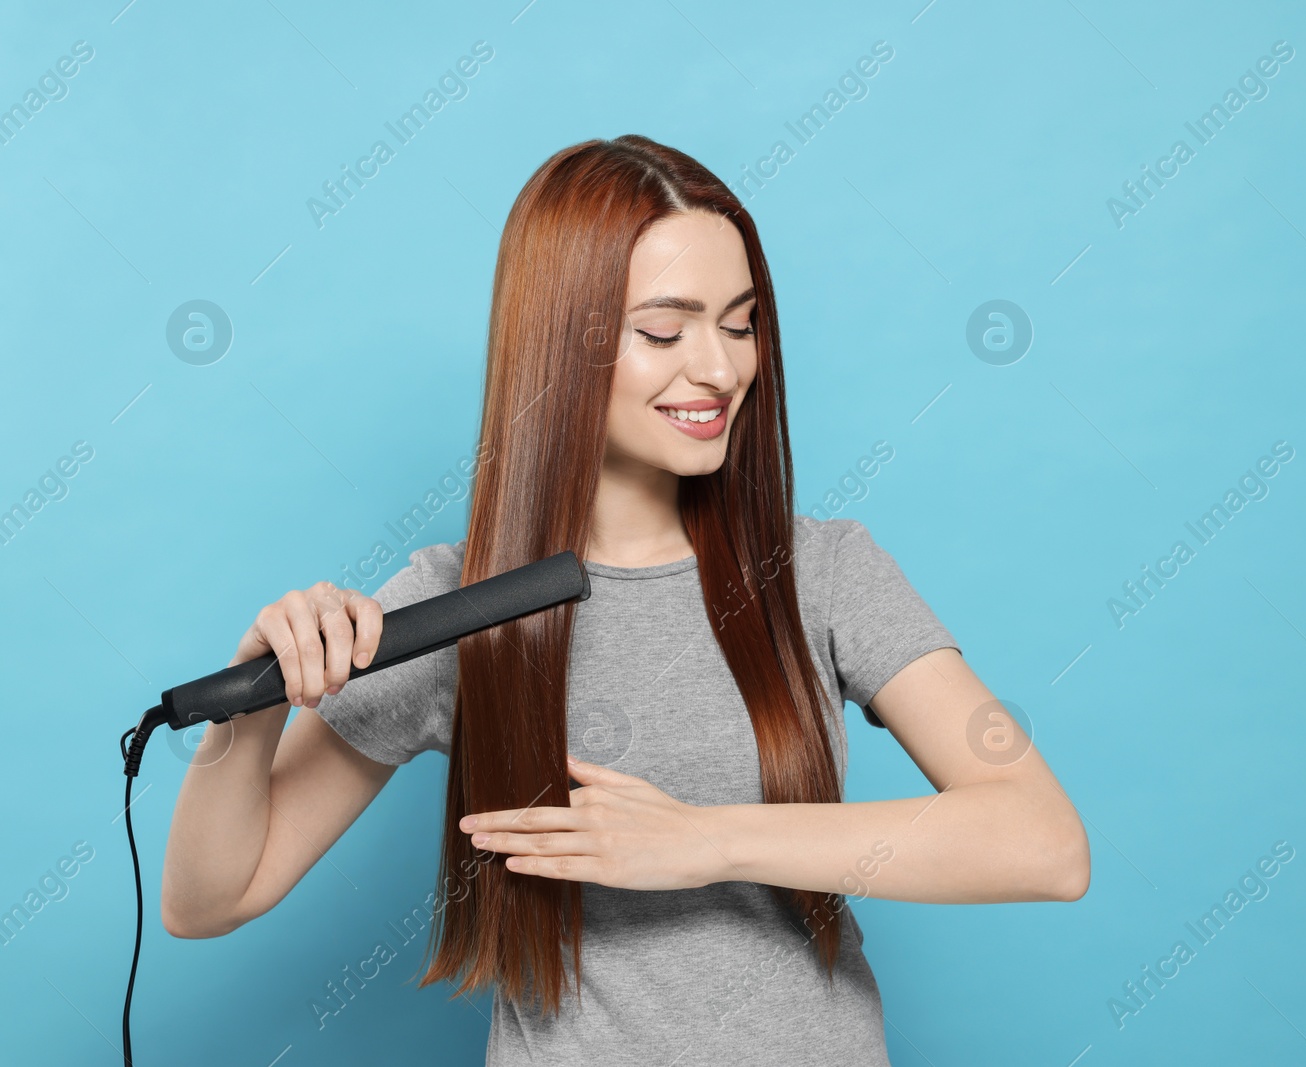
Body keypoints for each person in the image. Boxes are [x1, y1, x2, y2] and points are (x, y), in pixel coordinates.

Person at [161, 134, 1090, 1065]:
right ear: (563, 343)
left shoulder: (825, 572)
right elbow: (208, 899)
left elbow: (1042, 841)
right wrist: (250, 707)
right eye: (663, 330)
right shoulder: (455, 606)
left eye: (739, 322)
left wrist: (706, 841)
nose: (721, 370)